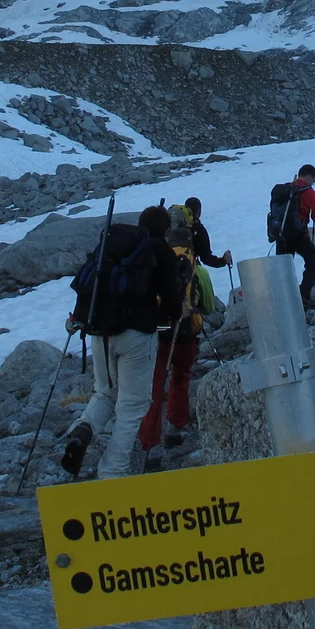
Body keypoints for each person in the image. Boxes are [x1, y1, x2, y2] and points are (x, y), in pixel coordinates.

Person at [60, 204, 181, 479]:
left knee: (105, 392)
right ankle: (112, 471)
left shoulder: (115, 246)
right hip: (137, 335)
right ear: (166, 228)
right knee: (133, 403)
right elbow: (171, 299)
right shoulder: (160, 250)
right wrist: (172, 316)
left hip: (99, 330)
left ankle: (83, 429)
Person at [138, 201, 232, 454]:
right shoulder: (195, 267)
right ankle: (175, 427)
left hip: (151, 330)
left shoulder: (149, 256)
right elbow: (208, 304)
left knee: (154, 385)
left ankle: (150, 442)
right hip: (184, 328)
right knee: (180, 376)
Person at [270, 163, 315, 306]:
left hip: (281, 234)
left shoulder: (285, 190)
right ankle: (303, 296)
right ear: (308, 176)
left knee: (284, 268)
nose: (313, 183)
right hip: (299, 235)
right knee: (312, 264)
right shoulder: (308, 192)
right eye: (313, 180)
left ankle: (282, 299)